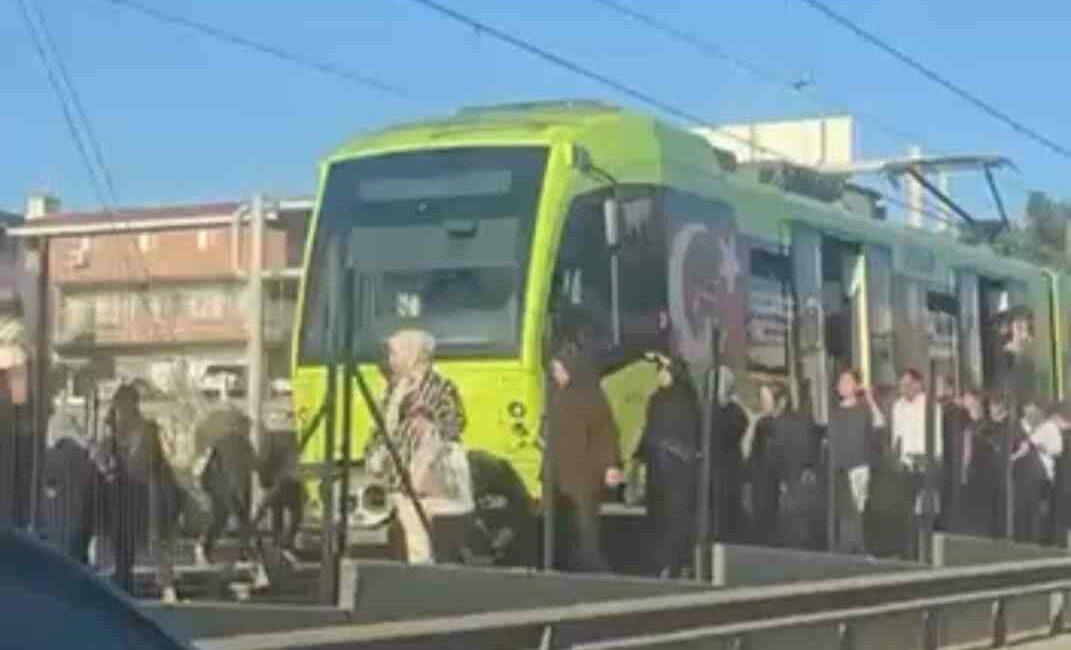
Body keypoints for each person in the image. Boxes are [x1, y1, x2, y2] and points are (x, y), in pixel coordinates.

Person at [367, 329, 472, 564]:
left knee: (420, 529)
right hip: (399, 470)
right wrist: (374, 451)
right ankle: (421, 566)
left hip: (425, 470)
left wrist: (430, 423)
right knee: (409, 527)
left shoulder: (439, 386)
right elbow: (383, 424)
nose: (391, 360)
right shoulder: (396, 386)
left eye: (395, 353)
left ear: (412, 354)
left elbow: (454, 422)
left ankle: (423, 570)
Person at [95, 384, 182, 602]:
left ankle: (165, 585)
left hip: (145, 493)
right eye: (118, 405)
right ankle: (129, 585)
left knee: (153, 541)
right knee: (128, 544)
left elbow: (148, 465)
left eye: (123, 404)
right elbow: (102, 460)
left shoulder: (144, 430)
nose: (120, 409)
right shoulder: (114, 433)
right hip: (126, 496)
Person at [547, 345, 622, 572]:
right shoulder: (558, 396)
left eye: (559, 370)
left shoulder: (592, 398)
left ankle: (591, 565)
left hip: (584, 475)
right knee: (562, 522)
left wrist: (610, 465)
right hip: (559, 474)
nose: (556, 375)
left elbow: (606, 435)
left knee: (584, 523)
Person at [634, 353, 699, 577]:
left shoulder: (684, 401)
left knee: (675, 517)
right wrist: (638, 455)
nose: (659, 375)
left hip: (676, 470)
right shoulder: (658, 400)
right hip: (660, 468)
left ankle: (675, 562)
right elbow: (650, 431)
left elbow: (689, 436)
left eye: (662, 370)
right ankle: (664, 562)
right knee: (661, 516)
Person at [826, 369, 884, 555]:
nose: (844, 385)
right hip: (839, 467)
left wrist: (869, 397)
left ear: (856, 385)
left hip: (859, 465)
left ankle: (860, 547)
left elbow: (879, 424)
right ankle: (844, 547)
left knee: (858, 508)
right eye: (841, 381)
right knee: (844, 510)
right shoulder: (834, 412)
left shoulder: (864, 410)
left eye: (848, 381)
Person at [888, 369, 942, 558]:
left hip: (924, 462)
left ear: (918, 384)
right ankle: (908, 550)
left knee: (925, 509)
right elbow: (896, 435)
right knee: (906, 509)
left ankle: (925, 550)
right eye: (902, 385)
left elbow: (936, 436)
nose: (905, 388)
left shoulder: (930, 405)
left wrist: (932, 460)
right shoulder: (898, 407)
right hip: (905, 464)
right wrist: (896, 458)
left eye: (909, 384)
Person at [193, 407, 257, 567]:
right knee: (240, 521)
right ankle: (243, 554)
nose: (248, 430)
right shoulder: (238, 444)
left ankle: (204, 549)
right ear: (241, 426)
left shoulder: (226, 442)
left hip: (220, 488)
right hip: (227, 489)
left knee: (220, 520)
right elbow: (243, 468)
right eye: (247, 427)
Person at [760, 382, 819, 549]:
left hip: (787, 490)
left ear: (781, 401)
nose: (762, 404)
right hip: (793, 490)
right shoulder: (776, 424)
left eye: (765, 399)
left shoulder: (779, 426)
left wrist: (784, 480)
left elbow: (776, 458)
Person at [41, 411, 98, 564]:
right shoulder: (87, 458)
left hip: (55, 536)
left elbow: (47, 496)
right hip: (81, 534)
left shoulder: (49, 458)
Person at [711, 368, 749, 542]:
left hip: (727, 467)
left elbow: (733, 432)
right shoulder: (712, 409)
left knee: (727, 504)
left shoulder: (734, 412)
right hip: (719, 466)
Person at [258, 423, 304, 555]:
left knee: (276, 511)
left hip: (279, 481)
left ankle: (280, 542)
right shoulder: (292, 436)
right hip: (290, 479)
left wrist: (264, 481)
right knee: (295, 511)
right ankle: (285, 541)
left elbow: (263, 460)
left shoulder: (270, 438)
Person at [747, 383, 782, 546]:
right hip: (760, 473)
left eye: (766, 398)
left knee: (767, 508)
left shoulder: (772, 424)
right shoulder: (760, 423)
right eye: (762, 398)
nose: (763, 402)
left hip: (770, 474)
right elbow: (754, 450)